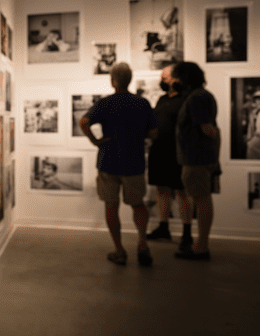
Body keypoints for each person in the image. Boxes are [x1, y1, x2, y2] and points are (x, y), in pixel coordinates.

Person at [80, 62, 158, 266]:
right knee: (138, 204)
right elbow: (154, 133)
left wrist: (95, 141)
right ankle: (142, 243)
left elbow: (83, 122)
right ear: (130, 79)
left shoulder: (106, 103)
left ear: (112, 80)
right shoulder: (142, 103)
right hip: (134, 161)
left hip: (108, 161)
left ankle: (120, 250)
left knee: (111, 205)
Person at [172, 61, 220, 260]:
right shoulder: (201, 96)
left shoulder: (197, 98)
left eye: (177, 78)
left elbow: (208, 129)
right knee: (202, 199)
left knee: (201, 200)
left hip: (196, 159)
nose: (175, 82)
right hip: (200, 158)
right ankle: (201, 244)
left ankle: (201, 247)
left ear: (186, 79)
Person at [146, 65, 194, 251]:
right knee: (161, 189)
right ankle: (163, 227)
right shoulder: (162, 99)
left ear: (177, 79)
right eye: (162, 79)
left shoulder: (187, 99)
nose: (163, 82)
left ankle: (187, 233)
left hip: (178, 153)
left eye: (166, 79)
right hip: (159, 151)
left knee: (182, 192)